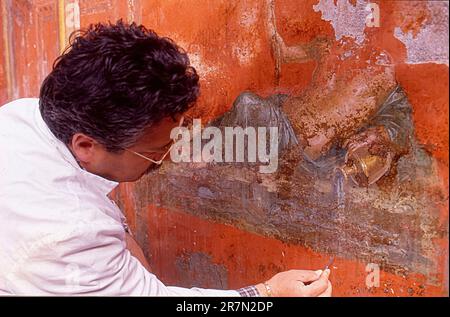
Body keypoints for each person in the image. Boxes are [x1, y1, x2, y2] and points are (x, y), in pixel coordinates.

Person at [0, 20, 331, 296]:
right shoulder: (70, 235)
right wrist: (265, 294)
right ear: (86, 146)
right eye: (154, 151)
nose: (165, 157)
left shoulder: (19, 118)